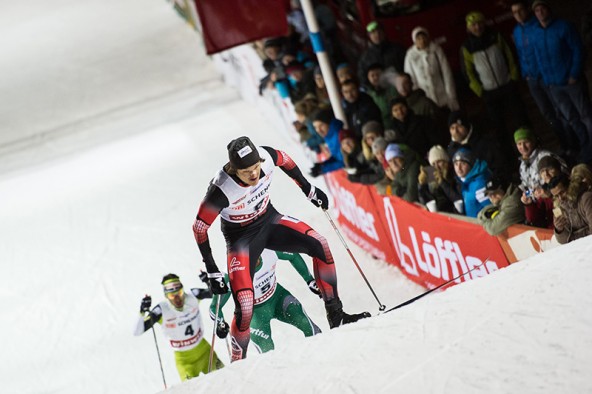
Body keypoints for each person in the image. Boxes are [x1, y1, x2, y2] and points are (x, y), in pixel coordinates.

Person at [192, 136, 370, 362]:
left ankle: (337, 316)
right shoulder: (220, 189)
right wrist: (212, 270)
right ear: (233, 169)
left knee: (319, 244)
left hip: (269, 221)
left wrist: (309, 189)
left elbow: (285, 160)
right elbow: (199, 228)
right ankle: (239, 361)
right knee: (245, 305)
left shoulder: (266, 156)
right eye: (246, 171)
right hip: (241, 241)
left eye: (256, 167)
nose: (254, 174)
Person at [210, 249, 321, 354]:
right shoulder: (231, 274)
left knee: (309, 327)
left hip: (278, 298)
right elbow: (215, 306)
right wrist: (220, 324)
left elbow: (293, 255)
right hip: (254, 314)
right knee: (268, 352)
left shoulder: (269, 250)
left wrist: (309, 280)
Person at [530, 0, 592, 164]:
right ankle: (586, 147)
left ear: (548, 9)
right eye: (537, 10)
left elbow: (578, 49)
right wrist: (545, 78)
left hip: (571, 82)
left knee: (586, 114)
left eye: (542, 8)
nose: (540, 12)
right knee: (571, 118)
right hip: (554, 85)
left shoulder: (564, 27)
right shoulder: (536, 33)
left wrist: (574, 74)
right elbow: (537, 57)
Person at [510, 0, 573, 156]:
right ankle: (564, 144)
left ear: (527, 10)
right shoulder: (517, 31)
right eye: (514, 12)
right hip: (531, 79)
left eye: (520, 10)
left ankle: (573, 143)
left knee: (560, 111)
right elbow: (520, 54)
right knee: (548, 114)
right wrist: (525, 74)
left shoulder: (536, 26)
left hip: (545, 77)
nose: (518, 15)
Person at [133, 274, 223, 380]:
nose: (177, 299)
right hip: (184, 361)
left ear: (183, 290)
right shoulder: (161, 310)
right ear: (166, 296)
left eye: (179, 293)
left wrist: (209, 282)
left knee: (226, 380)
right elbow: (137, 331)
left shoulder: (193, 295)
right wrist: (142, 311)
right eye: (172, 296)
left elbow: (217, 293)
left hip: (205, 352)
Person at [461, 11, 528, 151]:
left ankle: (530, 147)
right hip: (489, 92)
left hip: (507, 85)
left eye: (479, 23)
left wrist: (513, 77)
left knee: (521, 120)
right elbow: (468, 74)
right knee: (499, 127)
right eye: (473, 25)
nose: (477, 27)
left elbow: (510, 56)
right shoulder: (466, 48)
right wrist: (480, 91)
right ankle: (510, 157)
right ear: (468, 28)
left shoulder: (496, 36)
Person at [404, 26, 459, 111]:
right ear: (414, 40)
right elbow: (411, 79)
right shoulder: (410, 56)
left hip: (442, 95)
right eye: (418, 38)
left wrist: (451, 96)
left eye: (424, 37)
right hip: (425, 99)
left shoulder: (436, 50)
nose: (422, 41)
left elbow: (446, 73)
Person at [549, 171, 592, 244]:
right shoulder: (558, 208)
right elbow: (564, 242)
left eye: (562, 192)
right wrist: (559, 230)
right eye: (556, 196)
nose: (560, 198)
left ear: (570, 187)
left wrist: (573, 237)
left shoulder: (586, 198)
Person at [418, 145, 462, 214]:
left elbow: (457, 200)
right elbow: (426, 202)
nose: (437, 167)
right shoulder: (432, 182)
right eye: (433, 164)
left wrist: (442, 182)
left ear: (446, 162)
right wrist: (421, 185)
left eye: (439, 162)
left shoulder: (456, 176)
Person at [452, 147, 491, 217]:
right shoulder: (465, 182)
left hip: (480, 226)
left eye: (463, 163)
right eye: (456, 164)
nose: (459, 168)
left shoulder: (479, 185)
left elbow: (491, 209)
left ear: (471, 165)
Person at [309, 108, 346, 177]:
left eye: (321, 125)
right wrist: (322, 166)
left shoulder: (338, 134)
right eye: (315, 127)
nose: (318, 130)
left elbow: (343, 161)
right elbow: (337, 157)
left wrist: (323, 168)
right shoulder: (329, 136)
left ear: (329, 123)